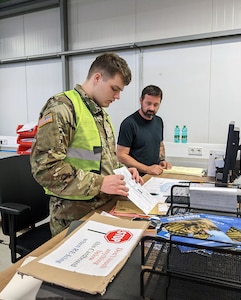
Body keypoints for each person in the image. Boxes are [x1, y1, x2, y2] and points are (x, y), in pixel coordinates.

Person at [30, 52, 143, 236]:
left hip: (101, 210)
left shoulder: (100, 114)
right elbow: (45, 168)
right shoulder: (62, 109)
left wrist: (122, 171)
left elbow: (100, 159)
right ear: (97, 78)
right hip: (72, 217)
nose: (118, 96)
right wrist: (100, 183)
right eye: (114, 88)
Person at [117, 85, 171, 176]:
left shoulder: (159, 121)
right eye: (148, 103)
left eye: (156, 105)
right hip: (136, 177)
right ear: (141, 100)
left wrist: (162, 160)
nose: (151, 108)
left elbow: (160, 144)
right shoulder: (129, 124)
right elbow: (121, 156)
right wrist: (147, 169)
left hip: (154, 174)